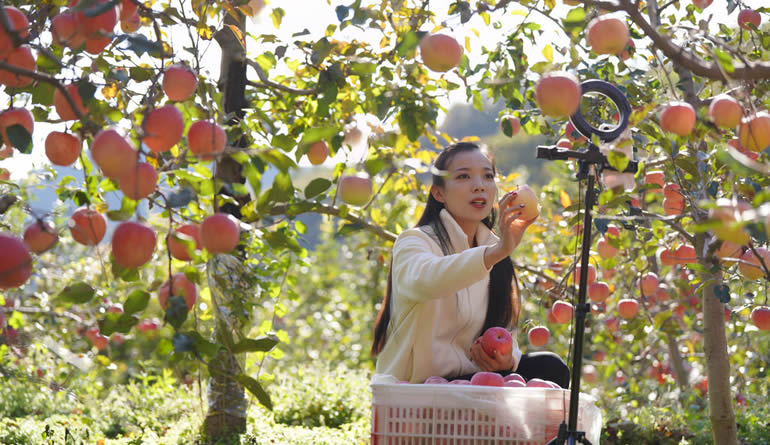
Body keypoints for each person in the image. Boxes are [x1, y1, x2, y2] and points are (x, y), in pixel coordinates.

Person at [371, 141, 569, 388]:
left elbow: (505, 332)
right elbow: (427, 280)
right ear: (438, 193)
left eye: (488, 177)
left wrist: (507, 359)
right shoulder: (414, 243)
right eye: (463, 176)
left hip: (474, 384)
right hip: (421, 388)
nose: (479, 186)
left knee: (550, 367)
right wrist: (496, 252)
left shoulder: (495, 252)